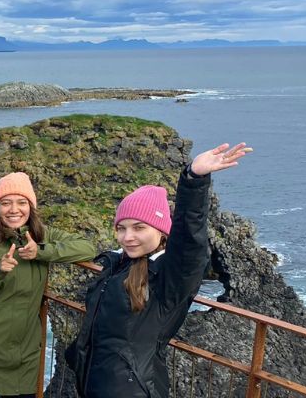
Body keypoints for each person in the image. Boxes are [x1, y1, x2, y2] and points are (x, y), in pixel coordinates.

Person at [66, 143, 252, 397]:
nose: (127, 237)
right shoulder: (117, 265)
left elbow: (189, 242)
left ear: (161, 231)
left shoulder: (168, 276)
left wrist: (194, 180)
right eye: (122, 228)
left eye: (139, 228)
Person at [0, 172, 96, 398]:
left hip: (24, 353)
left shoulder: (40, 235)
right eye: (6, 203)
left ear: (31, 206)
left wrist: (41, 251)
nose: (14, 210)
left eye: (22, 202)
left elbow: (87, 248)